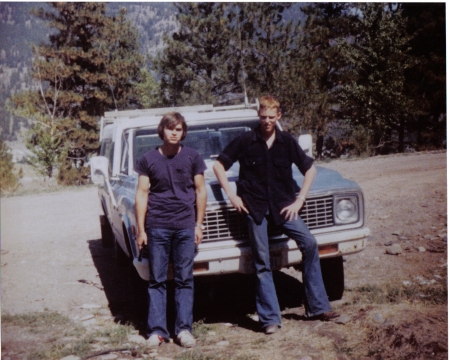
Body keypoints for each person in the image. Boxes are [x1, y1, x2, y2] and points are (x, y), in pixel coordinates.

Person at [213, 95, 339, 335]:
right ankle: (270, 319)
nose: (267, 121)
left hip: (283, 206)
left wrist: (300, 199)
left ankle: (319, 307)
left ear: (278, 116)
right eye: (263, 117)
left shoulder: (287, 142)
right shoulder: (245, 140)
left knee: (309, 243)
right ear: (258, 116)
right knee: (262, 261)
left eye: (271, 117)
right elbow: (219, 165)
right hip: (255, 208)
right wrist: (232, 196)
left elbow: (309, 169)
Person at [135, 112, 207, 347]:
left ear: (183, 132)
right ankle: (157, 331)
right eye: (170, 128)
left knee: (184, 279)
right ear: (162, 131)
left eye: (179, 129)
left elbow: (200, 191)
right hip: (157, 227)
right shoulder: (148, 159)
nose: (174, 132)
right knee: (156, 279)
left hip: (185, 227)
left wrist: (198, 224)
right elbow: (142, 194)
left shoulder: (193, 157)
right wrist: (141, 230)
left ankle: (183, 330)